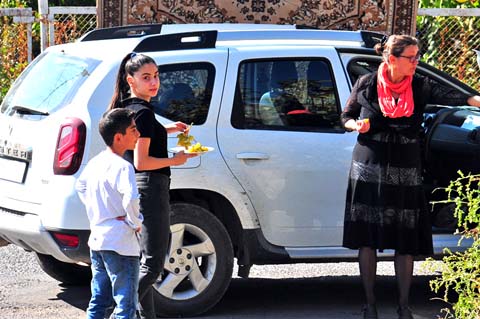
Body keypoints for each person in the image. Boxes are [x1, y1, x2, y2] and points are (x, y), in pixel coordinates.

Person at [341, 34, 480, 319]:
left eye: (418, 56)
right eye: (412, 57)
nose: (417, 62)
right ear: (392, 59)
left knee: (404, 238)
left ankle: (404, 307)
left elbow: (452, 94)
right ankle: (370, 305)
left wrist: (476, 99)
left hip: (406, 167)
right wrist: (355, 125)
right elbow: (345, 116)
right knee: (367, 239)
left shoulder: (419, 85)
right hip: (370, 165)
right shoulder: (366, 84)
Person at [107, 52, 196, 319]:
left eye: (156, 76)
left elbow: (144, 135)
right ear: (130, 80)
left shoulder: (128, 109)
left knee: (145, 260)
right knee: (154, 264)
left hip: (137, 188)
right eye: (146, 77)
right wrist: (176, 159)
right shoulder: (143, 113)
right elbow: (142, 161)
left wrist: (168, 130)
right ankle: (117, 312)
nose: (154, 82)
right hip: (150, 187)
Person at [76, 108, 143, 319]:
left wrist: (96, 209)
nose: (138, 134)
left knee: (99, 300)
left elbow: (81, 186)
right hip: (120, 241)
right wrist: (135, 222)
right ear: (118, 137)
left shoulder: (96, 162)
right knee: (126, 303)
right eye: (133, 130)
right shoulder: (124, 167)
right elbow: (131, 198)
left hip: (98, 239)